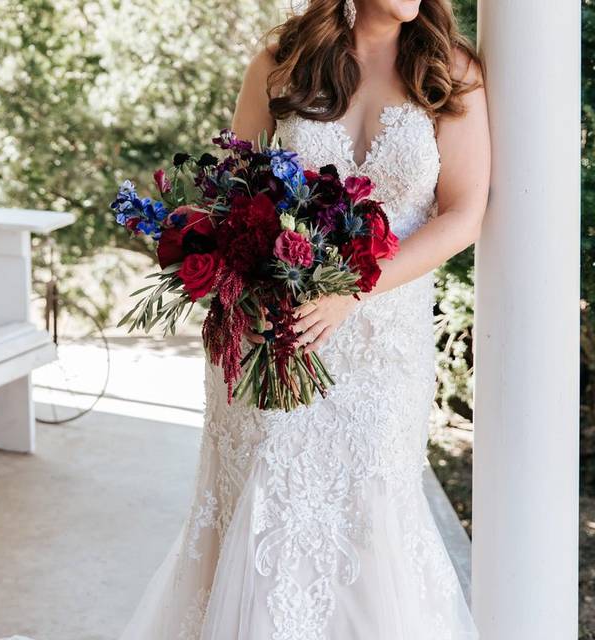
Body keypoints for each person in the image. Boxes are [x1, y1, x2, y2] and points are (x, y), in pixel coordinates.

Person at [119, 0, 490, 637]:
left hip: (381, 350)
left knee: (370, 518)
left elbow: (461, 215)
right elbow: (231, 196)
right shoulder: (282, 62)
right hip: (276, 335)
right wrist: (252, 297)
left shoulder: (448, 71)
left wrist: (353, 290)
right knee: (267, 511)